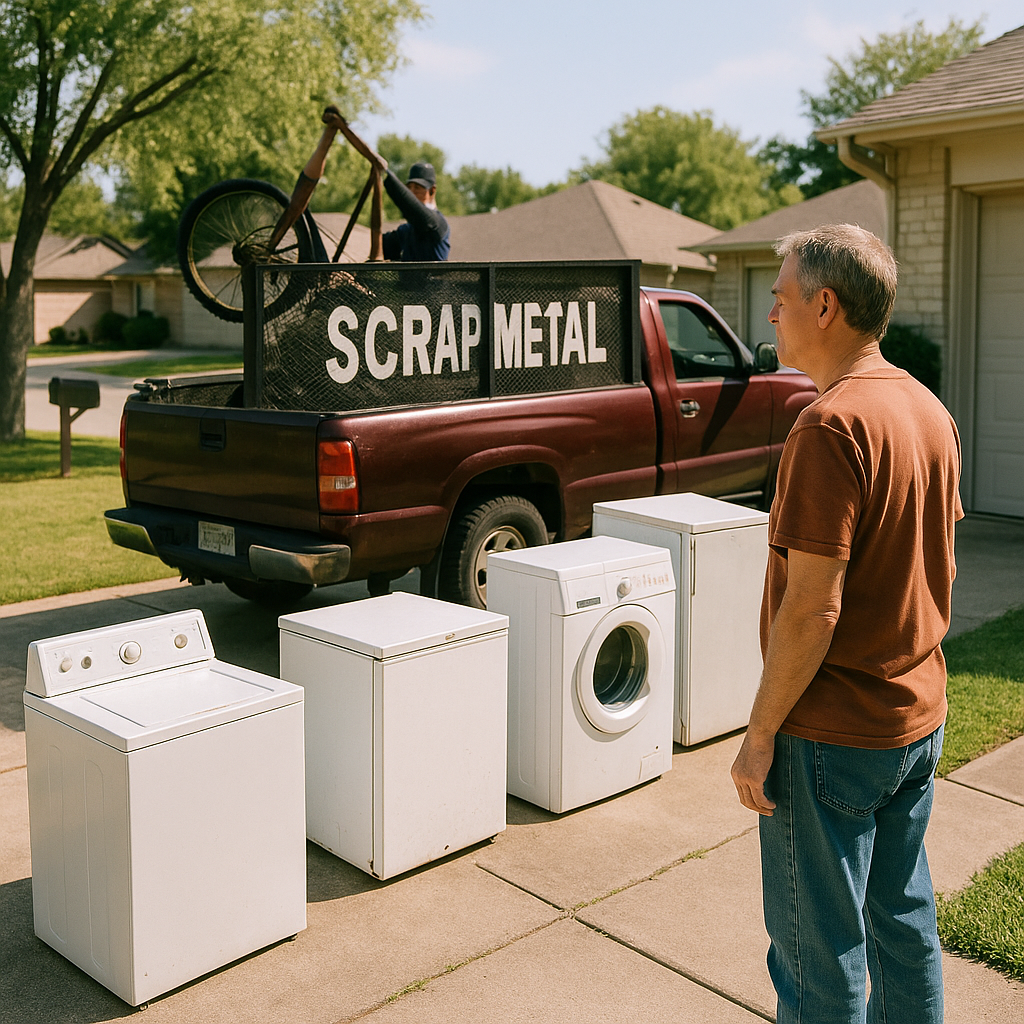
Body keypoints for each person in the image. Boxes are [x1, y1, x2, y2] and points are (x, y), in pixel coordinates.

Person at [730, 224, 962, 1024]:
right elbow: (935, 559)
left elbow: (813, 607)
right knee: (903, 922)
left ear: (824, 306)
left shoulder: (829, 427)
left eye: (781, 299)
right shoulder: (926, 409)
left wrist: (760, 734)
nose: (772, 316)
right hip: (914, 719)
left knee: (817, 952)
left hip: (833, 734)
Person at [382, 161, 450, 262]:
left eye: (417, 188)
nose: (412, 193)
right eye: (409, 188)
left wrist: (385, 172)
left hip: (433, 278)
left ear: (432, 190)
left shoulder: (438, 224)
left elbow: (415, 210)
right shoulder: (405, 231)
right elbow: (381, 245)